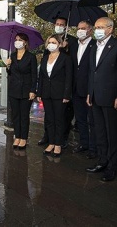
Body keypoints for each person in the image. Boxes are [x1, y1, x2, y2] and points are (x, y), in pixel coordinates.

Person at [86, 17, 117, 182]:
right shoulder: (93, 47)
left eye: (101, 27)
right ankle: (102, 161)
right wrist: (90, 93)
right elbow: (92, 72)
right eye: (96, 27)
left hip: (112, 99)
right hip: (96, 97)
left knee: (112, 134)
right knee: (100, 132)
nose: (97, 30)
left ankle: (112, 167)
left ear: (110, 29)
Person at [37, 16, 76, 148]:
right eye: (49, 43)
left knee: (60, 119)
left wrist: (67, 94)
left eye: (54, 42)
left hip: (60, 94)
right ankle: (50, 141)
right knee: (49, 119)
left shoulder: (66, 57)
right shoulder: (45, 58)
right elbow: (41, 76)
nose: (51, 45)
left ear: (59, 44)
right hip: (47, 93)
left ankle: (58, 143)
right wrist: (39, 92)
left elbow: (68, 77)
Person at [5, 33, 37, 150]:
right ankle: (17, 136)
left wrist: (33, 90)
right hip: (14, 90)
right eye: (16, 39)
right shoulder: (12, 56)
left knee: (24, 115)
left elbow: (34, 75)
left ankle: (24, 138)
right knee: (15, 115)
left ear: (25, 42)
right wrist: (7, 66)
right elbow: (11, 73)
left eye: (20, 40)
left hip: (26, 90)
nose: (17, 41)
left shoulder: (31, 57)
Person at [70, 20, 97, 159]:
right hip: (76, 89)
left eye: (83, 28)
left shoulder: (95, 45)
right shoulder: (74, 45)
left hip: (89, 90)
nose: (80, 30)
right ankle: (84, 143)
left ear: (90, 30)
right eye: (78, 28)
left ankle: (94, 147)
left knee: (92, 120)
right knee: (80, 119)